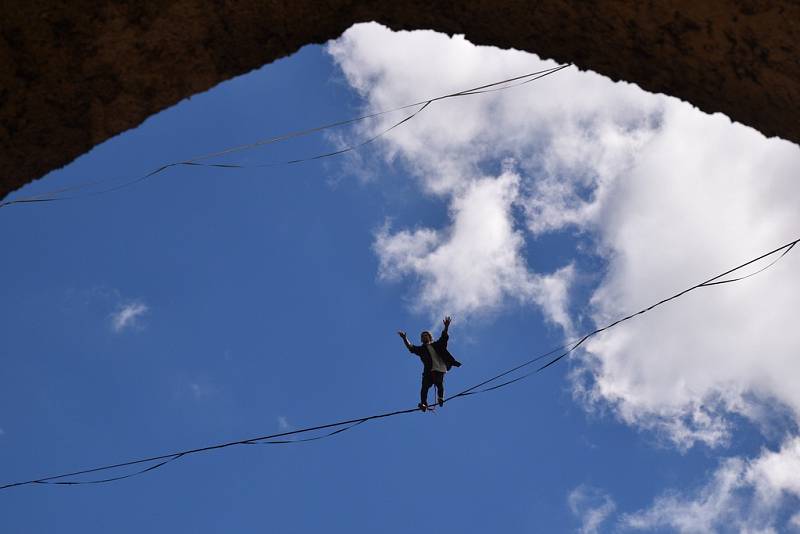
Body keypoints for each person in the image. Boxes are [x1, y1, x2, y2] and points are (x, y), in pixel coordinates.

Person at [398, 316, 462, 411]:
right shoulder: (421, 349)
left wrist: (446, 327)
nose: (424, 337)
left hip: (439, 369)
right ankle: (424, 404)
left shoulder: (436, 345)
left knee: (439, 384)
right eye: (422, 336)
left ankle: (440, 398)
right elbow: (411, 348)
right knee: (424, 388)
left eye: (425, 335)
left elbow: (444, 338)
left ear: (429, 337)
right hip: (428, 371)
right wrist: (404, 338)